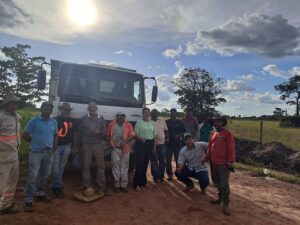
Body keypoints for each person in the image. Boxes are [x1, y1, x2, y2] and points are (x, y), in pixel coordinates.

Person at [22, 101, 58, 213]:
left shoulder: (54, 121)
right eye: (45, 108)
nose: (48, 110)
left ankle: (41, 194)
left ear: (51, 110)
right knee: (33, 176)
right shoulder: (34, 121)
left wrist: (54, 147)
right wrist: (34, 142)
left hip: (48, 152)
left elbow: (56, 135)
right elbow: (25, 135)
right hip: (36, 152)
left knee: (45, 175)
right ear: (41, 109)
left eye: (49, 109)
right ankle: (28, 200)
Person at [206, 115, 235, 216]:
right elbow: (210, 147)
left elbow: (231, 148)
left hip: (223, 164)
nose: (216, 123)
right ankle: (220, 198)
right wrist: (206, 157)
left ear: (222, 123)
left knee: (224, 184)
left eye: (218, 121)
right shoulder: (213, 134)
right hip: (213, 162)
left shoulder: (227, 134)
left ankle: (226, 204)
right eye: (214, 122)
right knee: (216, 182)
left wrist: (230, 161)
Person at [79, 102, 108, 195]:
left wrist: (99, 132)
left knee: (101, 166)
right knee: (85, 166)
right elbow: (79, 132)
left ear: (96, 108)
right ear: (88, 109)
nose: (92, 109)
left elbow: (105, 132)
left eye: (94, 108)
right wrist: (79, 145)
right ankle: (87, 186)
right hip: (86, 145)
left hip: (98, 145)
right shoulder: (83, 119)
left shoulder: (102, 118)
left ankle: (101, 187)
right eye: (90, 108)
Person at [0, 95, 22, 214]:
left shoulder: (17, 117)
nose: (14, 105)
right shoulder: (1, 117)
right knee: (2, 182)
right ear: (7, 105)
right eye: (12, 103)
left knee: (12, 181)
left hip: (15, 155)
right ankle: (2, 204)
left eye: (16, 103)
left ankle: (6, 204)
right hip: (3, 157)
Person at [52, 103, 77, 198]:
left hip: (67, 146)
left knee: (61, 167)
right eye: (64, 109)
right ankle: (56, 186)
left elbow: (75, 134)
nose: (66, 111)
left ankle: (57, 187)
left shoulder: (72, 121)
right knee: (55, 168)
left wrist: (74, 146)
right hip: (56, 147)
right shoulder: (54, 120)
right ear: (60, 110)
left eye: (68, 110)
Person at [107, 112, 135, 193]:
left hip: (125, 148)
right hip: (115, 148)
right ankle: (116, 185)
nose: (122, 118)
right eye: (120, 117)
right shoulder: (111, 124)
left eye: (123, 117)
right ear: (117, 117)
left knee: (124, 167)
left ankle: (124, 185)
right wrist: (111, 143)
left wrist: (125, 141)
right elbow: (108, 135)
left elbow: (132, 134)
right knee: (115, 167)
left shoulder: (129, 125)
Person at [133, 107, 156, 191]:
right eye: (145, 112)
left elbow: (154, 136)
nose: (147, 113)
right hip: (141, 143)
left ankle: (143, 181)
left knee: (146, 163)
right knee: (140, 163)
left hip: (150, 144)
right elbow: (135, 133)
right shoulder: (139, 122)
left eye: (148, 112)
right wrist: (140, 138)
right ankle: (137, 184)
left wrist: (154, 147)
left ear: (149, 114)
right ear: (142, 113)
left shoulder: (152, 123)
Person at [165, 108, 185, 180]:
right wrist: (166, 138)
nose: (173, 114)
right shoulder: (166, 122)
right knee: (168, 160)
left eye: (174, 112)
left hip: (177, 144)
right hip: (168, 144)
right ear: (170, 113)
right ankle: (170, 175)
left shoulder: (179, 122)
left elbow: (183, 131)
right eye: (172, 112)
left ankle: (178, 174)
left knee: (178, 160)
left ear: (176, 113)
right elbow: (164, 131)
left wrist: (178, 135)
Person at [150, 109, 168, 183]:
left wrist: (167, 138)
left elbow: (166, 130)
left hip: (162, 144)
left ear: (158, 114)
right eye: (153, 113)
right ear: (151, 114)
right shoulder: (148, 122)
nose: (155, 114)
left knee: (162, 162)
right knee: (154, 162)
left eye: (156, 113)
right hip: (153, 145)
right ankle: (155, 177)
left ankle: (161, 176)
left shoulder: (162, 120)